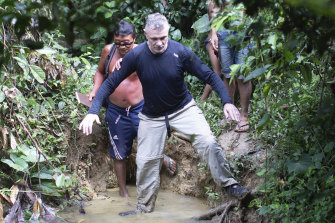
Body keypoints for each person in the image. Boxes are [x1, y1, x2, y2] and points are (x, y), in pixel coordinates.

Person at [79, 13, 249, 215]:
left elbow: (209, 74)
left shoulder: (180, 52)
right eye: (154, 39)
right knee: (145, 162)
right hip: (151, 116)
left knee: (208, 142)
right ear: (145, 35)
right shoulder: (136, 55)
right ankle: (143, 211)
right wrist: (92, 111)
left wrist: (227, 102)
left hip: (183, 110)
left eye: (163, 38)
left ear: (167, 33)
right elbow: (109, 83)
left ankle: (230, 185)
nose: (159, 43)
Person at [86, 20, 178, 198]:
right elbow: (99, 72)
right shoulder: (108, 51)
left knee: (150, 143)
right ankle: (123, 192)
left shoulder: (144, 51)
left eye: (126, 43)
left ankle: (163, 158)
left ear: (135, 38)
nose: (122, 47)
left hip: (140, 108)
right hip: (116, 110)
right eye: (118, 43)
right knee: (119, 153)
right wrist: (94, 90)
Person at [202, 0, 252, 132]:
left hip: (243, 34)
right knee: (227, 74)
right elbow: (214, 11)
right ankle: (230, 113)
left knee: (242, 75)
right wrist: (214, 33)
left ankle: (244, 116)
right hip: (224, 35)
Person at [200, 1, 222, 102]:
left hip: (223, 41)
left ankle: (211, 98)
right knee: (217, 72)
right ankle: (202, 100)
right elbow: (213, 19)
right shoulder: (214, 3)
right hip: (212, 40)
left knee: (225, 72)